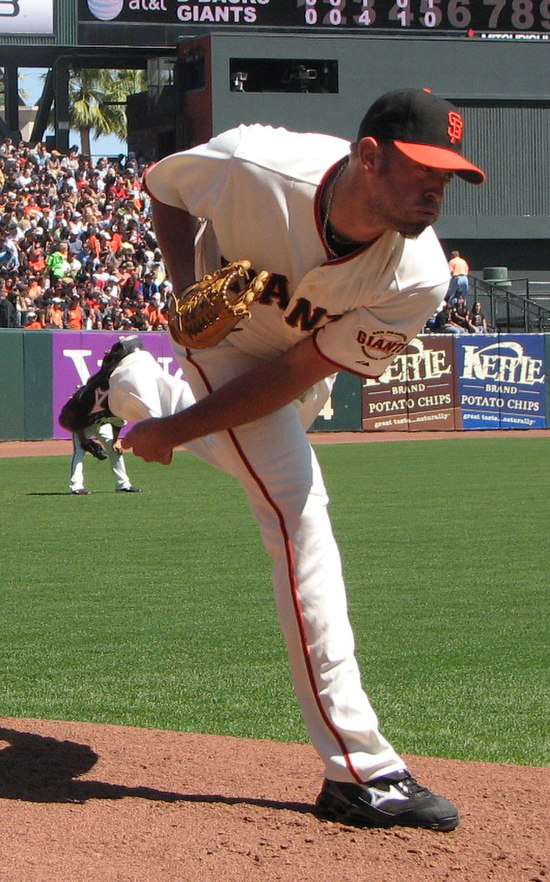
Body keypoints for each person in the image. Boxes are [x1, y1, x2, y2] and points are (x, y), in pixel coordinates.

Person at [60, 89, 486, 832]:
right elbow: (164, 184)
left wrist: (176, 426)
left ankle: (129, 385)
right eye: (424, 168)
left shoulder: (420, 276)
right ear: (369, 156)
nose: (436, 189)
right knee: (299, 512)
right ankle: (360, 769)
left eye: (449, 177)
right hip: (221, 344)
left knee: (246, 450)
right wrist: (184, 282)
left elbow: (292, 375)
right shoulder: (256, 163)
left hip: (293, 369)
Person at [69, 415, 142, 496]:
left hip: (103, 425)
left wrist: (115, 441)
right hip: (84, 425)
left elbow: (117, 424)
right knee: (79, 450)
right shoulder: (88, 405)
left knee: (115, 450)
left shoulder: (115, 408)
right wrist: (83, 440)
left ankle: (123, 485)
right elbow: (76, 421)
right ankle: (77, 486)